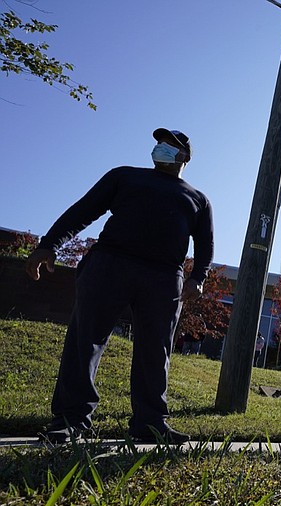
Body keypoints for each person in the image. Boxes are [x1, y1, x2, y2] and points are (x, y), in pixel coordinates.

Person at [26, 128, 213, 445]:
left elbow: (205, 245)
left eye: (169, 146)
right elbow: (83, 211)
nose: (161, 149)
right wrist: (49, 244)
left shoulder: (197, 199)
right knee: (85, 340)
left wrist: (198, 278)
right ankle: (70, 420)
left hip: (164, 276)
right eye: (159, 144)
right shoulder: (124, 176)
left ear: (184, 156)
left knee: (156, 350)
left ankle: (150, 422)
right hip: (110, 264)